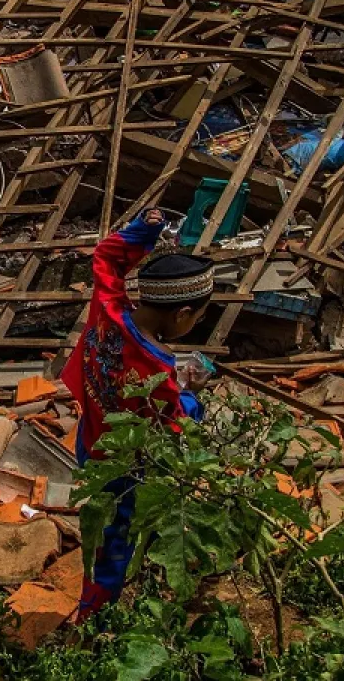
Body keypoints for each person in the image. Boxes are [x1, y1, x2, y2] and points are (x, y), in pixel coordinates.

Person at [60, 207, 215, 620]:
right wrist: (192, 394)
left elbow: (105, 257)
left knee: (104, 537)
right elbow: (179, 423)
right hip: (125, 472)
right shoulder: (158, 371)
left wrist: (143, 232)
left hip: (90, 440)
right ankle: (92, 623)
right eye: (197, 317)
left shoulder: (110, 309)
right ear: (182, 314)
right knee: (112, 549)